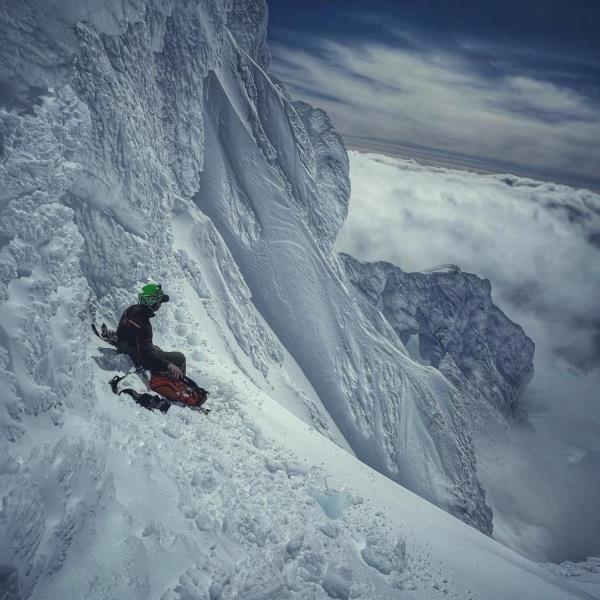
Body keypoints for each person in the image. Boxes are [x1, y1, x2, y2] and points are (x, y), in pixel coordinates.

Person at [116, 282, 188, 394]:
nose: (159, 305)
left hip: (127, 347)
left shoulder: (131, 309)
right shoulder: (144, 324)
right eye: (159, 302)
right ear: (153, 303)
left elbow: (121, 332)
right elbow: (146, 353)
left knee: (157, 349)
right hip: (139, 357)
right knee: (180, 357)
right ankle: (179, 386)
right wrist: (167, 364)